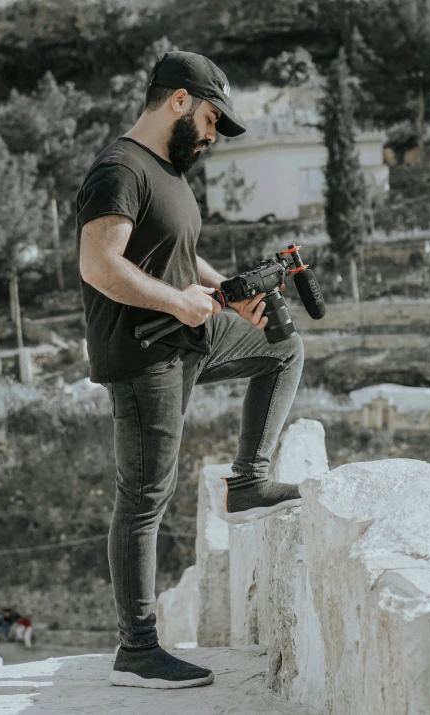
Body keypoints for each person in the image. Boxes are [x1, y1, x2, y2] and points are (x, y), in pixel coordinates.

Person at [76, 50, 304, 689]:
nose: (211, 135)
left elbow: (180, 253)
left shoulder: (167, 169)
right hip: (145, 352)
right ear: (178, 100)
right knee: (144, 497)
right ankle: (137, 649)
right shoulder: (119, 170)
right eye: (210, 119)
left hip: (187, 336)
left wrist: (227, 290)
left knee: (283, 348)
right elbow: (100, 265)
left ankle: (249, 483)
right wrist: (179, 301)